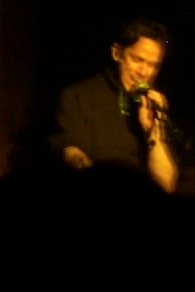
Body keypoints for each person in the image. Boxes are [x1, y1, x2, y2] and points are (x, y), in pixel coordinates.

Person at [51, 18, 179, 193]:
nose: (145, 72)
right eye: (137, 60)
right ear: (117, 53)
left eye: (153, 66)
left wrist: (155, 130)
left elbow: (166, 186)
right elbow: (72, 157)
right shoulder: (78, 96)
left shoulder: (152, 107)